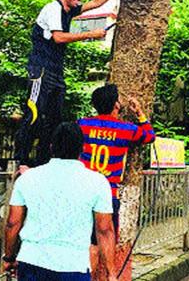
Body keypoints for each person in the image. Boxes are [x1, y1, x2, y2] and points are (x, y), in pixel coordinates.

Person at [15, 0, 122, 167]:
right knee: (35, 114)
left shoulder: (68, 11)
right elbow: (59, 38)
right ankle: (21, 160)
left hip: (56, 71)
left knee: (55, 118)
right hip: (41, 70)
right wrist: (91, 34)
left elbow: (97, 2)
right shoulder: (53, 8)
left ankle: (44, 161)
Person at [3, 122, 118, 281]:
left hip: (32, 261)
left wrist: (9, 258)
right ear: (82, 149)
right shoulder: (98, 182)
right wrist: (111, 272)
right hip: (73, 265)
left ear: (51, 147)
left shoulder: (27, 178)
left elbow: (12, 222)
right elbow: (104, 230)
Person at [77, 84, 156, 272]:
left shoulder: (83, 125)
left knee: (85, 242)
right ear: (116, 105)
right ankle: (110, 275)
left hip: (82, 192)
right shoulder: (126, 129)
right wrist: (140, 114)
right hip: (108, 193)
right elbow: (150, 136)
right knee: (101, 240)